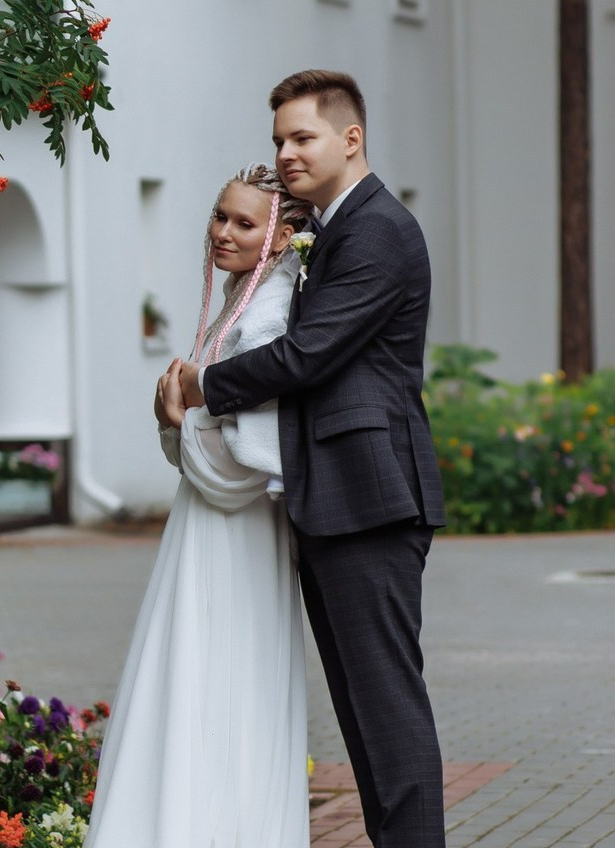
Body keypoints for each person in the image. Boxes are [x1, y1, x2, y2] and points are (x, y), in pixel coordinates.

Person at [174, 70, 447, 848]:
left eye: (303, 137)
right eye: (279, 141)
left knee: (388, 714)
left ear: (350, 138)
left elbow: (308, 355)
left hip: (371, 497)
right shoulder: (332, 228)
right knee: (365, 718)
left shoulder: (379, 230)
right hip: (334, 499)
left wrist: (202, 386)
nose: (287, 153)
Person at [85, 163, 312, 848]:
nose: (222, 232)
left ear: (278, 237)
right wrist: (178, 419)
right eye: (219, 215)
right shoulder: (240, 300)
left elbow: (250, 464)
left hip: (237, 534)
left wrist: (180, 417)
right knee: (194, 671)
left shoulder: (270, 312)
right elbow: (203, 440)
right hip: (206, 524)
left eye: (244, 223)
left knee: (222, 676)